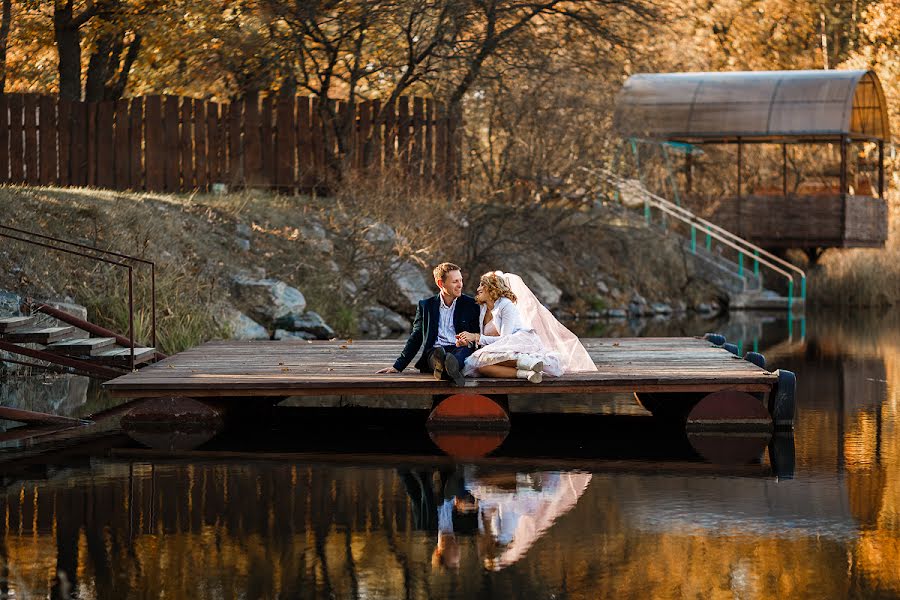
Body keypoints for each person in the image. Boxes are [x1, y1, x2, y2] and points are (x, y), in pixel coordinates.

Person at [455, 271, 597, 383]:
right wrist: (468, 340)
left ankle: (528, 362)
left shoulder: (506, 305)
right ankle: (528, 373)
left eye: (482, 285)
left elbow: (506, 339)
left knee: (480, 359)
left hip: (516, 343)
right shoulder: (483, 308)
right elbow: (484, 339)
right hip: (497, 348)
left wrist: (477, 337)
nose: (478, 288)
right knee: (482, 366)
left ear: (492, 289)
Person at [376, 262, 480, 386]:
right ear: (440, 283)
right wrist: (398, 366)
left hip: (459, 349)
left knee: (457, 356)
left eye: (460, 280)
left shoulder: (471, 305)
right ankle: (449, 370)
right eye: (455, 282)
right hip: (435, 351)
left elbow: (479, 333)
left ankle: (444, 371)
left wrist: (469, 340)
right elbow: (416, 337)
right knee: (438, 355)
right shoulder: (426, 306)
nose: (460, 285)